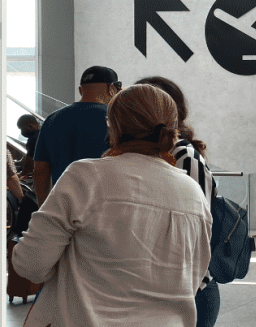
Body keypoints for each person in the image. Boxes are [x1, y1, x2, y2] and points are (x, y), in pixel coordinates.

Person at [13, 84, 212, 326]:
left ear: (113, 125)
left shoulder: (86, 176)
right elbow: (196, 274)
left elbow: (30, 265)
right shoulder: (192, 192)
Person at [137, 76, 219, 326]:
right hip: (156, 291)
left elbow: (196, 232)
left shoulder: (184, 155)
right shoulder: (141, 157)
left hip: (188, 293)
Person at [32, 65, 121, 206]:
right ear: (113, 89)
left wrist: (44, 208)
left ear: (80, 90)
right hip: (104, 207)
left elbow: (40, 170)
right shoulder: (116, 119)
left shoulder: (52, 119)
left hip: (62, 208)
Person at [16, 114, 41, 179]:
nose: (21, 132)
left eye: (22, 129)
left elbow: (28, 167)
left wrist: (20, 175)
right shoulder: (45, 132)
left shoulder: (33, 139)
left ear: (30, 126)